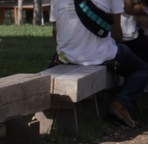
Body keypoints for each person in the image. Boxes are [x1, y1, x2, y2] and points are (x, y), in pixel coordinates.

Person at [50, 0, 148, 128]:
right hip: (101, 56)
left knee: (57, 60)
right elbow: (116, 34)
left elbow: (56, 32)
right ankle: (121, 103)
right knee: (142, 70)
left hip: (66, 58)